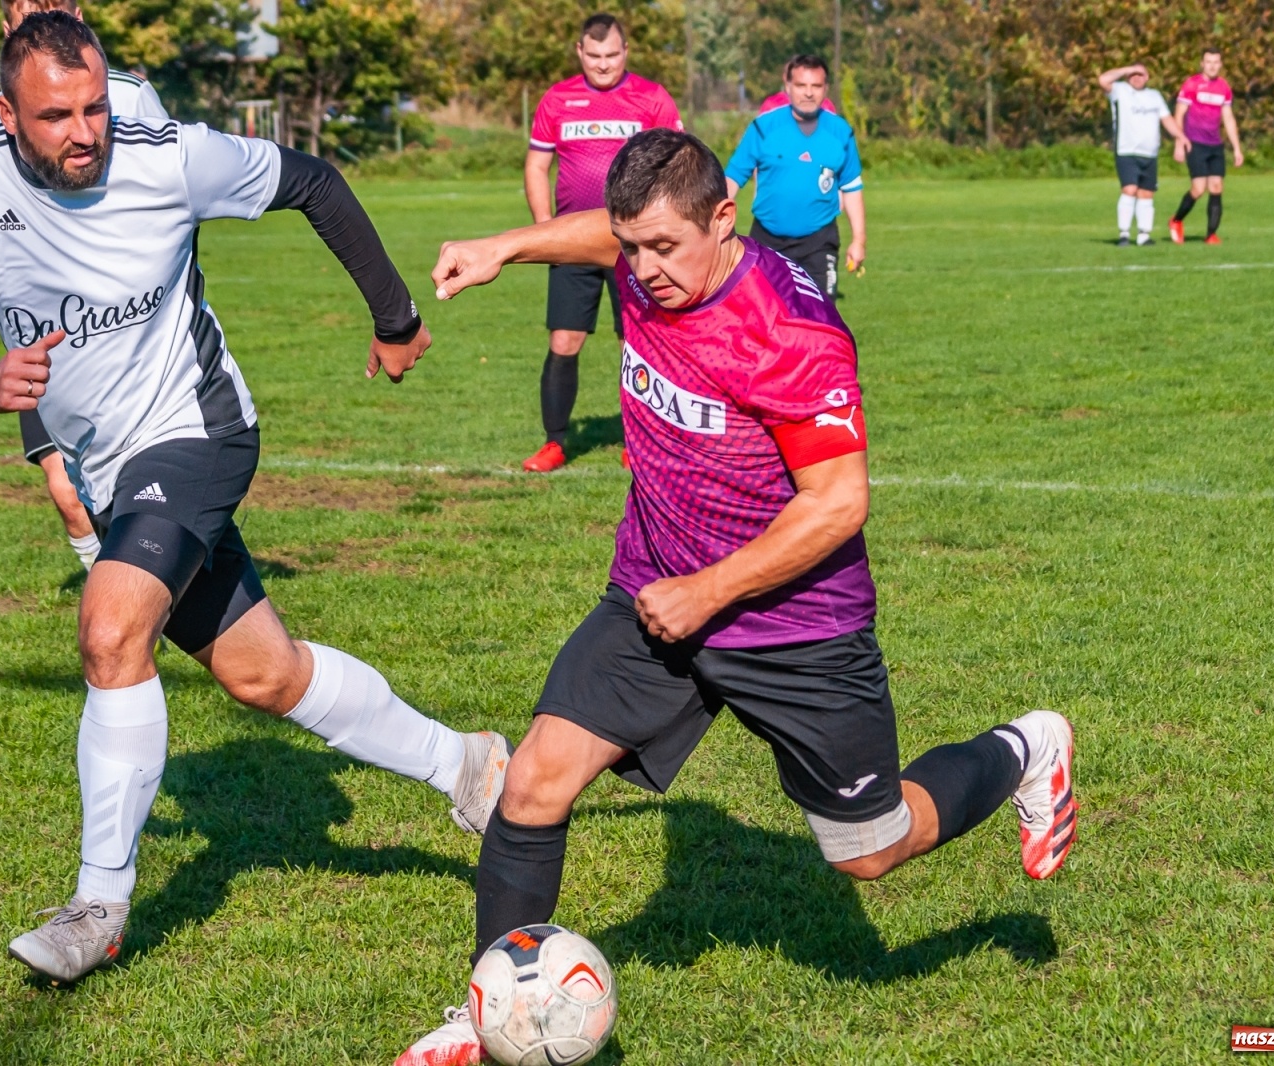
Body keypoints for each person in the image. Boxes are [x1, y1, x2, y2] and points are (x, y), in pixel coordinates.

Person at [397, 129, 1079, 1065]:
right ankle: (488, 1012)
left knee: (869, 850)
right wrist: (504, 247)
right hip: (654, 592)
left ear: (726, 219)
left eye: (663, 249)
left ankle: (1023, 749)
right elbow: (609, 231)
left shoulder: (791, 332)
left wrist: (709, 590)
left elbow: (838, 502)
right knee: (532, 784)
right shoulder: (647, 255)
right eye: (632, 248)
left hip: (793, 627)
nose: (641, 269)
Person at [0, 12, 512, 985]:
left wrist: (396, 318)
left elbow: (311, 180)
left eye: (94, 106)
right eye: (56, 115)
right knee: (265, 675)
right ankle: (470, 766)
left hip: (198, 430)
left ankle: (97, 905)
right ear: (6, 116)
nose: (84, 130)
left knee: (111, 627)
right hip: (107, 467)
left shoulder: (163, 151)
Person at [0, 0, 170, 573]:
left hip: (130, 338)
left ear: (77, 14)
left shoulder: (130, 97)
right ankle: (117, 603)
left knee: (148, 491)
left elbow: (170, 195)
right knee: (68, 494)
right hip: (46, 341)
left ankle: (132, 607)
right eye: (26, 7)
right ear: (7, 26)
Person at [521, 12, 682, 473]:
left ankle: (642, 441)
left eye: (612, 55)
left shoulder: (651, 99)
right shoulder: (557, 100)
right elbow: (536, 167)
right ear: (579, 52)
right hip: (573, 242)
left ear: (625, 52)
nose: (604, 64)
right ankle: (554, 443)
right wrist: (544, 230)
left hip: (635, 245)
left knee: (637, 342)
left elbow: (678, 163)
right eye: (594, 56)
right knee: (564, 339)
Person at [725, 55, 864, 299]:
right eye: (801, 85)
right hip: (767, 241)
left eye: (816, 86)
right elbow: (733, 178)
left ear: (826, 89)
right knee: (764, 317)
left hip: (819, 242)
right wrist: (713, 225)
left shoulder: (841, 133)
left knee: (820, 319)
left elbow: (852, 188)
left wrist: (859, 240)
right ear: (787, 87)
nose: (808, 93)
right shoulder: (763, 127)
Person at [1096, 63, 1187, 246]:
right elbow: (1102, 80)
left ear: (1147, 77)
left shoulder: (1155, 96)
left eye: (1141, 74)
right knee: (1129, 190)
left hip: (1150, 153)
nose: (1137, 77)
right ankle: (1124, 234)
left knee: (1146, 193)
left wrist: (1181, 137)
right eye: (1133, 75)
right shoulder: (1119, 91)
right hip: (1127, 151)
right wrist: (1126, 69)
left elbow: (1167, 119)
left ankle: (1144, 235)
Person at [1169, 48, 1244, 246]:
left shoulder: (1224, 87)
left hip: (1215, 145)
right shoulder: (1192, 84)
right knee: (1198, 188)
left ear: (1220, 64)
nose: (1212, 65)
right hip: (1195, 143)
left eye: (1216, 62)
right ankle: (1176, 220)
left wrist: (1236, 148)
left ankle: (1211, 234)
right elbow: (1179, 114)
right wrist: (1179, 143)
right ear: (1202, 64)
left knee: (1217, 187)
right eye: (1208, 62)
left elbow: (1228, 117)